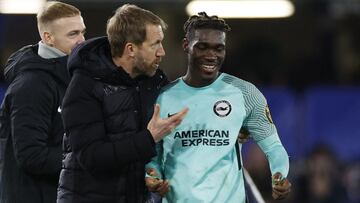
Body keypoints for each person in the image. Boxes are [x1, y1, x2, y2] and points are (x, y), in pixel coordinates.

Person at [145, 12, 291, 203]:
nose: (211, 55)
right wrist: (152, 177)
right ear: (186, 45)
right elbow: (152, 155)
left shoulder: (245, 94)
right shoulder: (163, 98)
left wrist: (279, 175)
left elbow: (274, 148)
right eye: (202, 47)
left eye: (218, 48)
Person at [56, 4, 188, 203]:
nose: (162, 52)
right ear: (131, 49)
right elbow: (91, 158)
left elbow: (168, 138)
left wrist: (154, 177)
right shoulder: (84, 86)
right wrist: (149, 138)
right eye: (155, 44)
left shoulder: (155, 81)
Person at [0, 1, 85, 203]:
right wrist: (87, 159)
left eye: (83, 32)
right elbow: (32, 156)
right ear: (48, 38)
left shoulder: (71, 76)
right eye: (73, 34)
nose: (82, 40)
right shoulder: (31, 85)